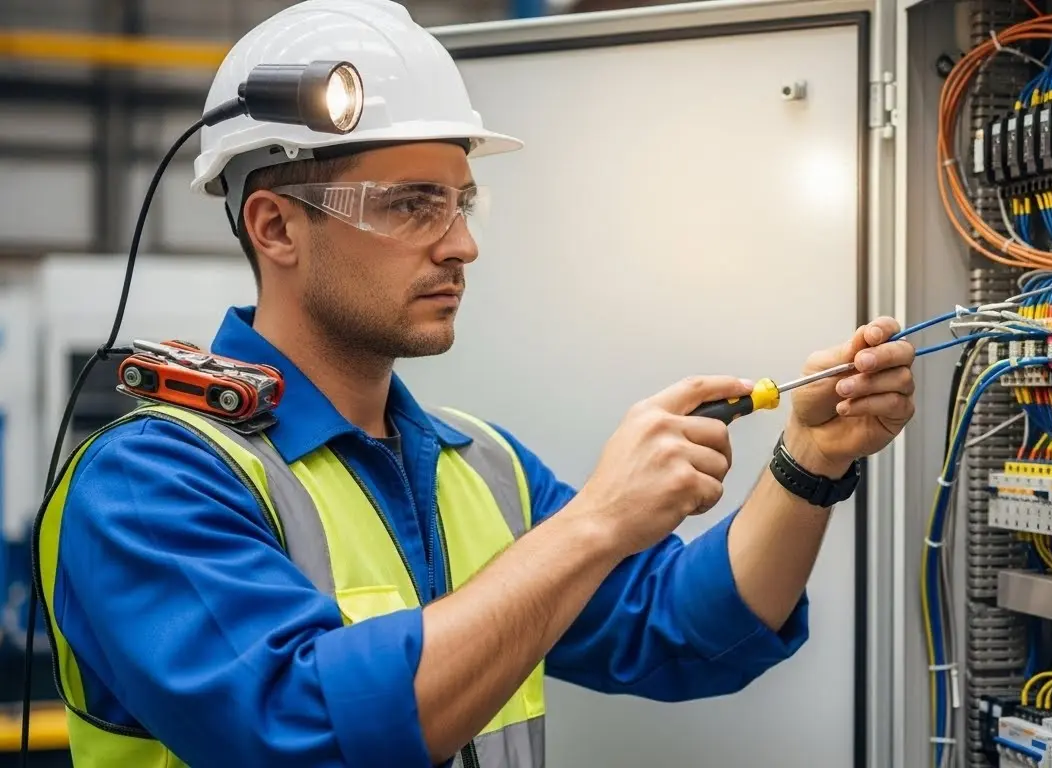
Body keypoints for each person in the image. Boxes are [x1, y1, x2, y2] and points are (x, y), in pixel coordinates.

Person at [32, 1, 917, 766]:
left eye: (461, 202)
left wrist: (808, 461)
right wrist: (597, 521)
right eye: (410, 204)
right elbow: (302, 733)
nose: (461, 245)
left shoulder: (478, 465)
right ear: (275, 227)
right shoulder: (149, 486)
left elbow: (683, 633)